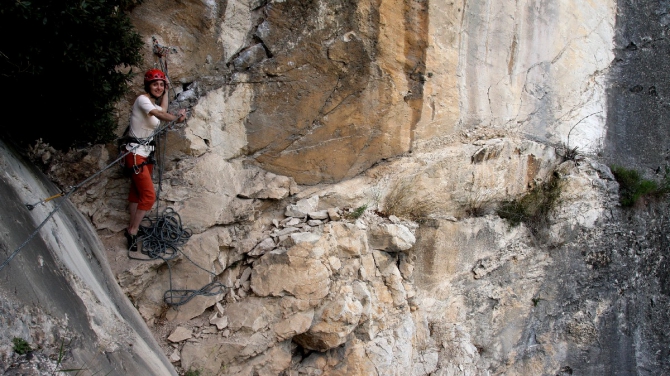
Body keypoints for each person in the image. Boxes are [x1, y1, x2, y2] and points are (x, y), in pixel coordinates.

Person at [124, 69, 186, 251]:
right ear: (148, 86)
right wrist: (177, 118)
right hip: (135, 155)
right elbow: (160, 115)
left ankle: (132, 226)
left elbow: (163, 110)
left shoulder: (152, 102)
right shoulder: (142, 100)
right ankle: (132, 231)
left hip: (145, 155)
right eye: (155, 84)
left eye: (161, 84)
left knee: (137, 193)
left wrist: (166, 91)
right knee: (149, 196)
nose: (158, 87)